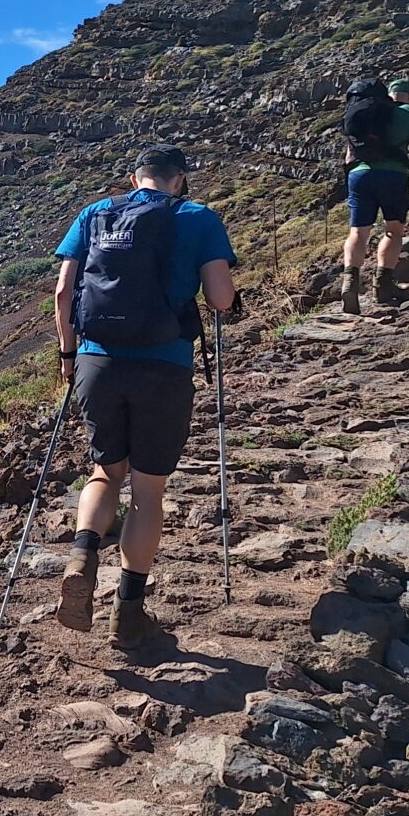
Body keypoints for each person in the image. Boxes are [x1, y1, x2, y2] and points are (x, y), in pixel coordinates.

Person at [51, 146, 237, 649]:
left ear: (134, 178)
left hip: (96, 362)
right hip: (164, 364)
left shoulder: (94, 214)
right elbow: (220, 299)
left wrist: (68, 354)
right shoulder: (197, 217)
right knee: (148, 492)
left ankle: (83, 554)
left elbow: (65, 292)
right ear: (179, 180)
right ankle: (127, 615)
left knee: (105, 471)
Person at [338, 76, 409, 312]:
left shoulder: (360, 114)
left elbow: (348, 156)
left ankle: (349, 282)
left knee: (358, 232)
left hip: (359, 175)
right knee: (393, 230)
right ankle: (383, 285)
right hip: (393, 176)